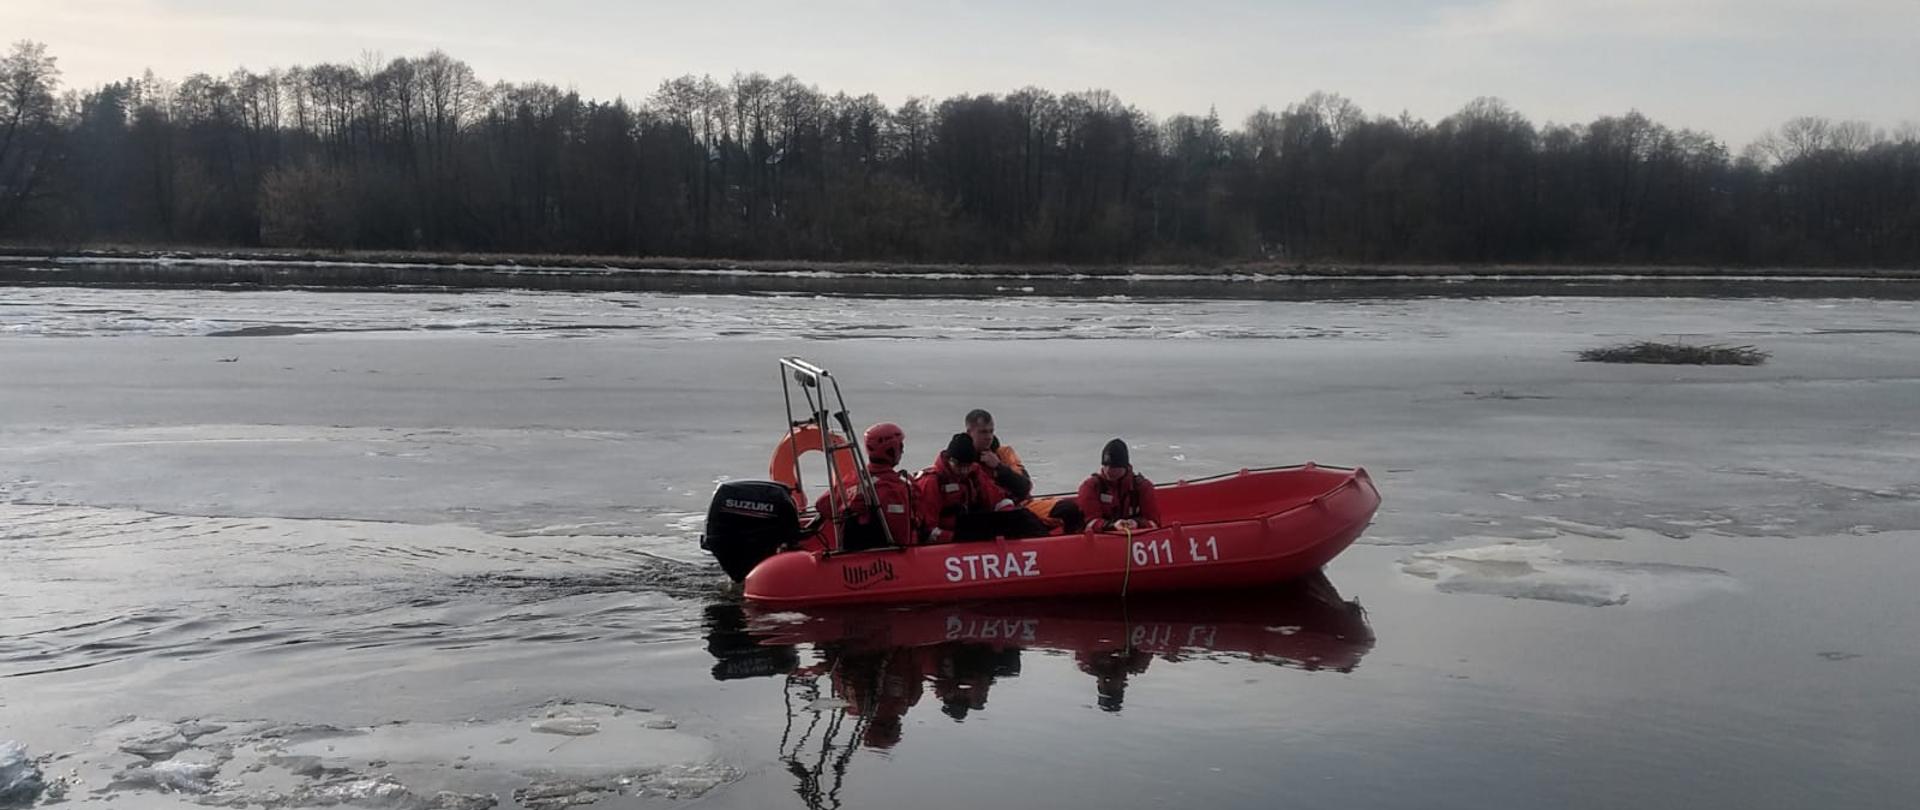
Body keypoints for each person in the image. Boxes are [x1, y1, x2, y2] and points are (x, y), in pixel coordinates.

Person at [815, 422, 921, 551]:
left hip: (851, 552)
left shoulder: (853, 479)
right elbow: (902, 535)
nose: (902, 450)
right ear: (891, 449)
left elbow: (823, 505)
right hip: (887, 557)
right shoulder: (897, 487)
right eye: (900, 446)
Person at [916, 432, 1027, 543]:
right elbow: (927, 529)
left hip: (968, 525)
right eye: (960, 467)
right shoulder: (931, 482)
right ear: (951, 460)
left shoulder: (974, 472)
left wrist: (1010, 518)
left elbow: (996, 498)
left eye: (967, 467)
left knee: (1023, 518)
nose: (964, 471)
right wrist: (959, 539)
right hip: (947, 533)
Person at [1072, 438, 1163, 532]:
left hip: (1137, 540)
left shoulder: (1143, 487)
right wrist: (1111, 526)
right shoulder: (1090, 487)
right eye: (1105, 465)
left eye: (1113, 467)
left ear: (1124, 466)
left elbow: (1155, 523)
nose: (1108, 470)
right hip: (1102, 541)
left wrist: (1137, 524)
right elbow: (1087, 523)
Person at [964, 409, 1033, 503]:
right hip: (992, 511)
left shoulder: (1003, 453)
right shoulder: (961, 459)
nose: (989, 437)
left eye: (991, 431)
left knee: (1060, 507)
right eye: (983, 432)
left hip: (1020, 504)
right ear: (969, 433)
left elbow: (1025, 487)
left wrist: (999, 466)